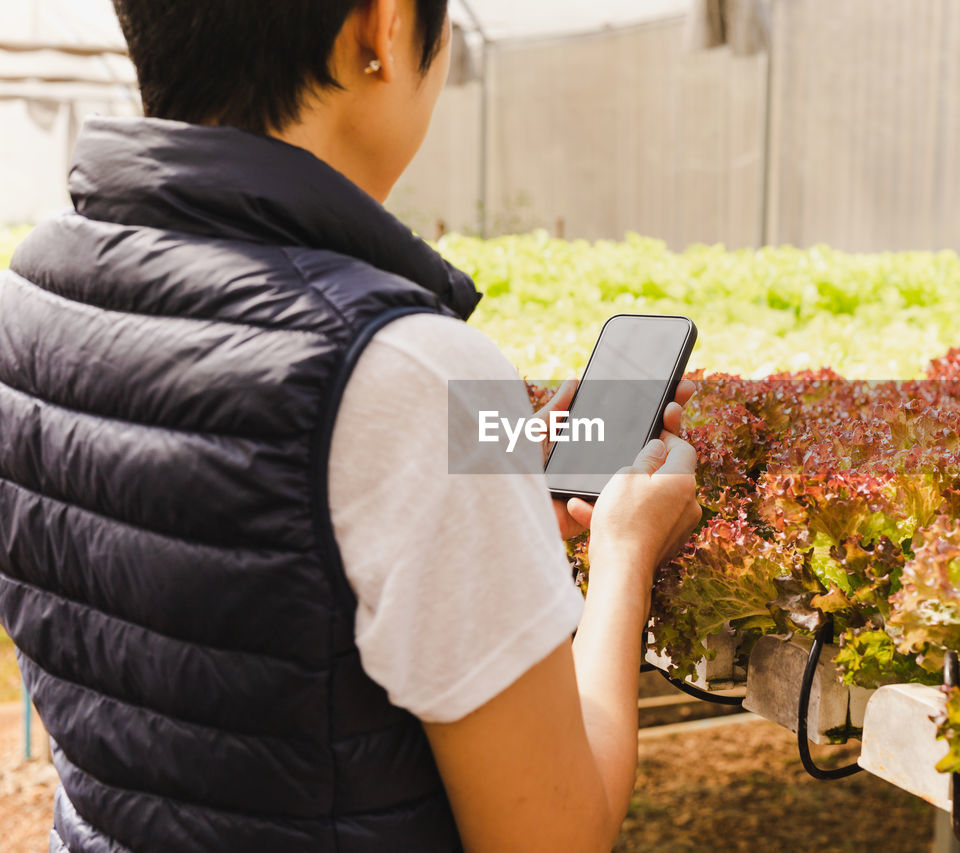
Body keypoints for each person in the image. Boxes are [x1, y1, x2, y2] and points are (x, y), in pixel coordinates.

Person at [0, 0, 703, 850]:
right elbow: (552, 834)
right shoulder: (406, 367)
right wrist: (626, 551)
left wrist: (478, 499)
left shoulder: (32, 290)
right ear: (384, 26)